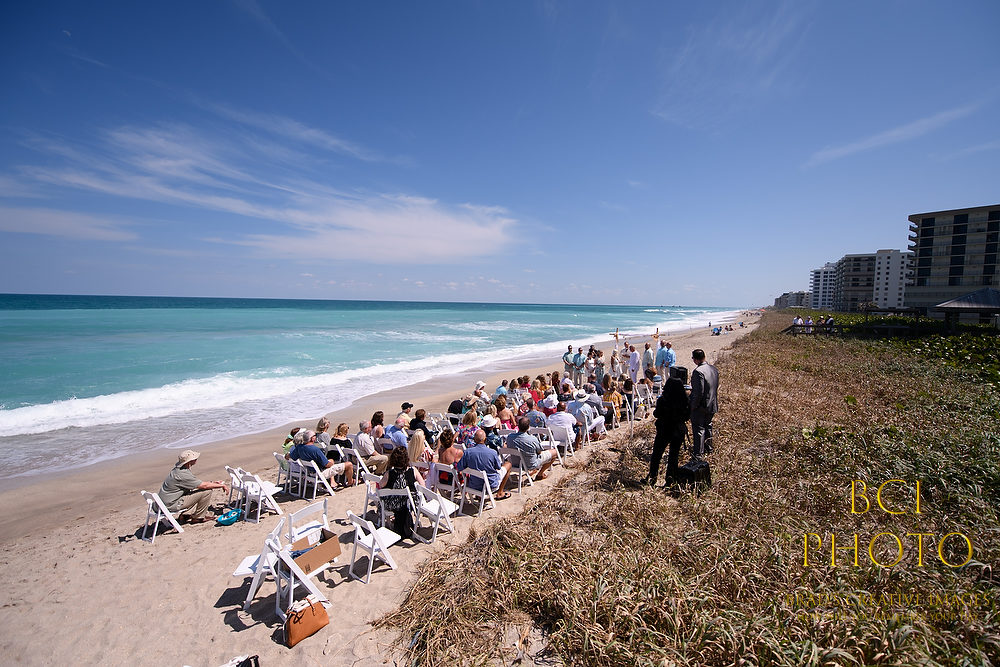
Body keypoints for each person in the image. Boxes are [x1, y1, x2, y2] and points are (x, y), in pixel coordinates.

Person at [158, 450, 229, 523]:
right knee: (207, 491)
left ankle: (185, 514)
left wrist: (213, 483)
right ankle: (198, 518)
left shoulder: (177, 470)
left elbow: (196, 484)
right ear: (189, 461)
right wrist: (221, 485)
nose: (196, 459)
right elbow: (204, 486)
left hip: (162, 504)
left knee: (196, 491)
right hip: (170, 505)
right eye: (194, 458)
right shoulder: (183, 474)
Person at [648, 373, 689, 485]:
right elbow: (687, 416)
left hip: (664, 429)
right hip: (678, 430)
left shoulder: (663, 400)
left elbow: (656, 414)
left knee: (657, 455)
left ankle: (652, 478)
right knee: (673, 456)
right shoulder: (685, 400)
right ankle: (670, 480)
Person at [379, 447, 424, 539]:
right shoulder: (413, 470)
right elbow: (423, 486)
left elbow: (381, 485)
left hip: (393, 504)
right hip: (410, 504)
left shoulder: (389, 473)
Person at [456, 429, 512, 500]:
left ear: (474, 440)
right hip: (491, 485)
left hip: (474, 485)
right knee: (508, 464)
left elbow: (459, 467)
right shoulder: (492, 452)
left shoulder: (468, 452)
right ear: (485, 439)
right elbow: (498, 467)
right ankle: (500, 492)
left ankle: (480, 495)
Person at [287, 429, 355, 486]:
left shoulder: (299, 447)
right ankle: (350, 482)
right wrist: (332, 464)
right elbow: (327, 464)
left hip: (310, 472)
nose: (316, 437)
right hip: (321, 473)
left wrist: (286, 455)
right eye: (315, 436)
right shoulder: (315, 450)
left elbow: (290, 456)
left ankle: (333, 482)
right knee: (349, 464)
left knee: (331, 460)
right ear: (312, 438)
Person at [689, 348, 719, 458]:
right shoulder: (713, 369)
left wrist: (693, 406)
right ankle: (709, 448)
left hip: (701, 406)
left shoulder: (698, 372)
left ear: (695, 359)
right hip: (712, 403)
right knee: (708, 426)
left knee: (699, 430)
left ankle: (698, 454)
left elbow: (698, 392)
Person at [507, 416, 556, 481]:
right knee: (554, 452)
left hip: (515, 463)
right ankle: (540, 474)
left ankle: (534, 471)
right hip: (530, 465)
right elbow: (539, 452)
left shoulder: (510, 437)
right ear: (528, 427)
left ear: (518, 426)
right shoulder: (532, 439)